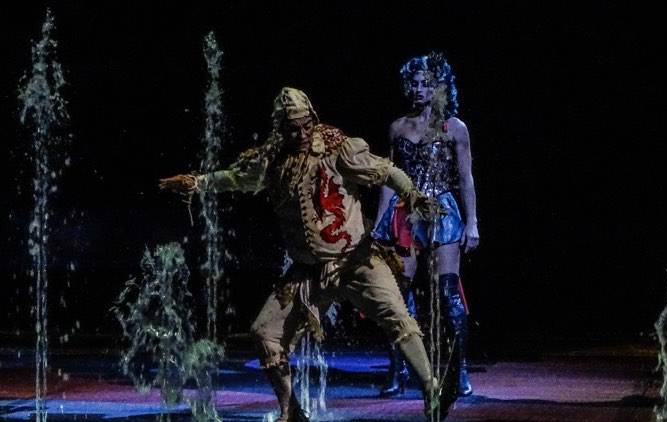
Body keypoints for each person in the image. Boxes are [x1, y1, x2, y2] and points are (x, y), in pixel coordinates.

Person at [160, 87, 455, 421]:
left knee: (398, 318)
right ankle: (291, 411)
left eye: (304, 125)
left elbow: (386, 171)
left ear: (312, 119)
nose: (300, 133)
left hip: (355, 261)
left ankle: (432, 390)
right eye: (291, 128)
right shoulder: (272, 162)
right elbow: (235, 178)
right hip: (307, 273)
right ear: (280, 129)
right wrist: (198, 183)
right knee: (265, 333)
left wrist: (412, 195)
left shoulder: (337, 149)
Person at [373, 52, 479, 398]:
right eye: (414, 84)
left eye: (425, 84)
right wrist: (379, 226)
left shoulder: (455, 128)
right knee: (398, 296)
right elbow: (389, 180)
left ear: (439, 87)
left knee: (448, 296)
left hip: (443, 212)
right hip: (406, 213)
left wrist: (473, 222)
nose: (418, 89)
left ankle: (459, 368)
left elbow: (465, 178)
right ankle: (398, 368)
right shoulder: (398, 127)